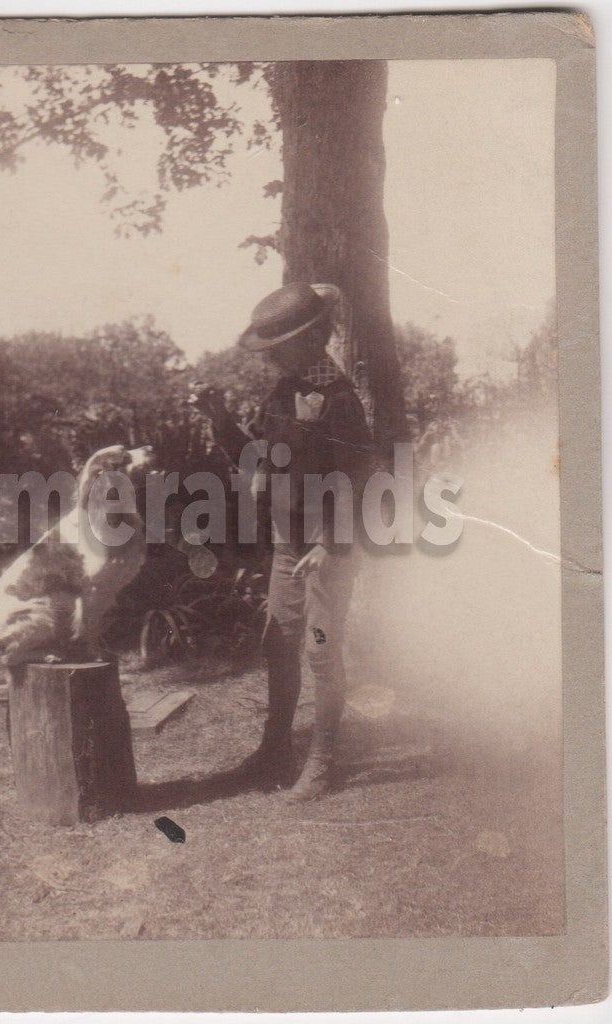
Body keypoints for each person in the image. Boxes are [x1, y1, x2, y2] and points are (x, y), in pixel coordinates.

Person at [190, 282, 373, 801]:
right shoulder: (282, 394)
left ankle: (321, 763)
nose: (272, 357)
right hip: (289, 540)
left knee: (319, 650)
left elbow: (358, 475)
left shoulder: (337, 398)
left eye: (281, 346)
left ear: (313, 338)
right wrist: (220, 420)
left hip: (326, 546)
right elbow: (256, 460)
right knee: (279, 642)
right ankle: (275, 753)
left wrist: (330, 543)